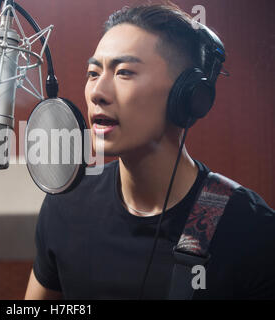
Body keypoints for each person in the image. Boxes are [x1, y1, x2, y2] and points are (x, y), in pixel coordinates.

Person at [24, 3, 275, 300]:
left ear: (189, 96)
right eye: (93, 72)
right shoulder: (65, 203)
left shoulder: (252, 230)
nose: (96, 93)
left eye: (124, 72)